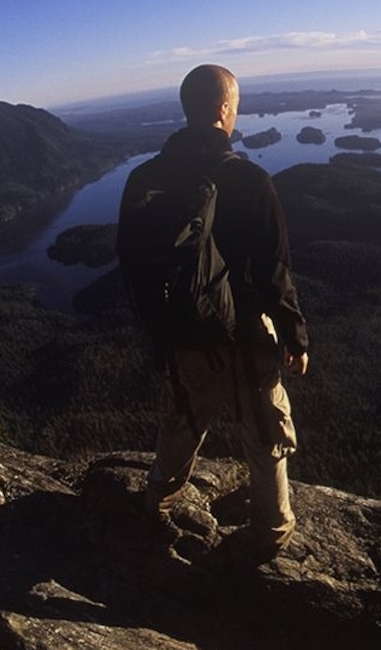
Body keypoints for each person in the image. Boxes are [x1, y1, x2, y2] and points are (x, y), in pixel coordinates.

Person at [118, 64, 309, 555]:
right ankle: (271, 534)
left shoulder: (144, 178)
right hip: (246, 336)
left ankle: (156, 503)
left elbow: (132, 263)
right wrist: (294, 336)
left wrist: (159, 329)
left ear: (187, 110)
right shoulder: (249, 180)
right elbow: (274, 272)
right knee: (266, 436)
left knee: (181, 424)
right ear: (225, 110)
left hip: (183, 336)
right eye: (236, 106)